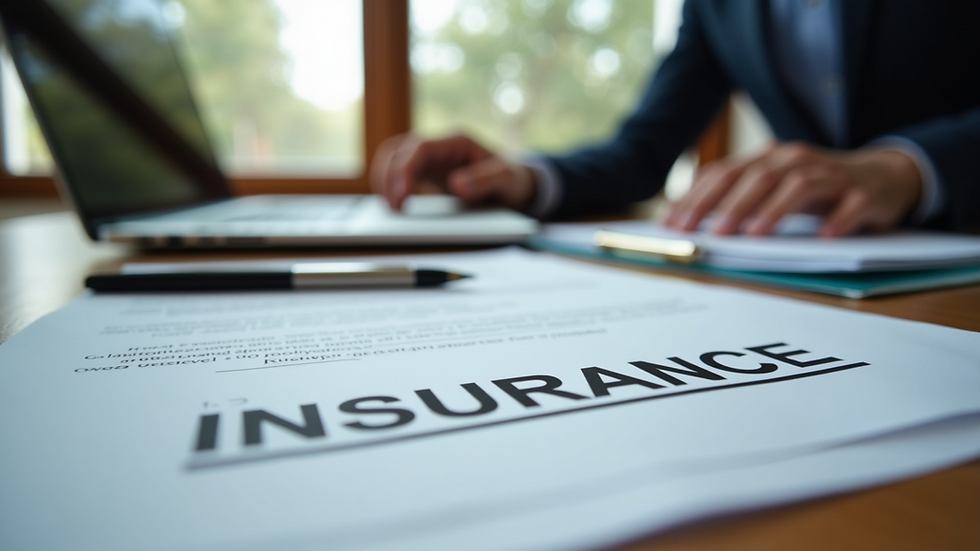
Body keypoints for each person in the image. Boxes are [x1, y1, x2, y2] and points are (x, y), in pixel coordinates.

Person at [372, 0, 980, 236]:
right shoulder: (717, 9)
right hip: (818, 272)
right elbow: (641, 154)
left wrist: (908, 168)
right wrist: (520, 177)